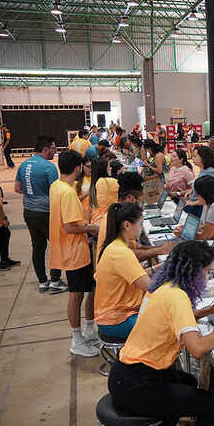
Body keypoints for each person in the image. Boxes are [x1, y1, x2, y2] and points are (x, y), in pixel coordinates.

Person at [109, 241, 214, 426]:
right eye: (207, 272)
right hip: (138, 385)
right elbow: (196, 349)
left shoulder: (162, 288)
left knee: (187, 382)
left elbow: (166, 322)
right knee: (213, 406)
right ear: (194, 272)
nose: (207, 278)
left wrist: (202, 312)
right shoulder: (177, 296)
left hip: (126, 374)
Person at [49, 150, 101, 357]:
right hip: (74, 251)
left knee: (89, 289)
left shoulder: (57, 186)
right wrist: (91, 228)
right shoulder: (68, 192)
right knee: (76, 295)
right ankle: (76, 339)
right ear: (78, 168)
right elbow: (70, 227)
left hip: (70, 249)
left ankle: (87, 329)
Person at [94, 202, 154, 339]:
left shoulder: (115, 246)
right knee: (167, 325)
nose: (141, 228)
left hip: (114, 315)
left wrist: (159, 268)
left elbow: (136, 276)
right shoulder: (121, 253)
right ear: (127, 225)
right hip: (118, 321)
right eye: (140, 224)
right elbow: (151, 287)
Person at [15, 136, 65, 289]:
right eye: (53, 149)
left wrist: (33, 195)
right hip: (46, 212)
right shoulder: (49, 167)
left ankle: (43, 281)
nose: (54, 152)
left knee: (37, 246)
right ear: (45, 149)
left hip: (29, 211)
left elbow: (18, 188)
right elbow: (56, 191)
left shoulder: (23, 165)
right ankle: (55, 280)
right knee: (56, 245)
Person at [184, 145, 214, 218]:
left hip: (200, 210)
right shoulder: (203, 170)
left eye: (195, 156)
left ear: (203, 157)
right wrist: (191, 191)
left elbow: (208, 198)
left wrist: (192, 203)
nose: (193, 158)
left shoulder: (209, 173)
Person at [88, 157, 119, 225]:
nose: (110, 168)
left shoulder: (95, 182)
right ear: (103, 169)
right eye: (108, 166)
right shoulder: (106, 182)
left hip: (96, 221)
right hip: (106, 223)